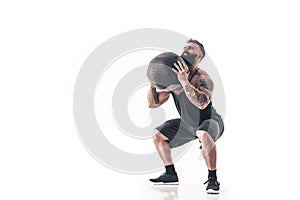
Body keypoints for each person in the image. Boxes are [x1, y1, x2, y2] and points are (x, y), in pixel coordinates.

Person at [148, 39, 224, 194]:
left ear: (199, 55)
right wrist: (153, 85)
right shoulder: (174, 78)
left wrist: (184, 82)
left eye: (190, 48)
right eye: (185, 47)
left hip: (210, 121)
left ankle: (212, 179)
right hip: (188, 124)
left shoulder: (202, 78)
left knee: (203, 133)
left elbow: (202, 103)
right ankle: (170, 174)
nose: (186, 49)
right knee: (158, 136)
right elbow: (154, 104)